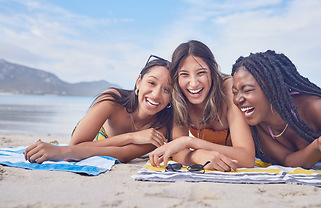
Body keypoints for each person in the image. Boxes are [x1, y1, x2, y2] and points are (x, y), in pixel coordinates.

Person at [24, 56, 173, 163]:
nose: (156, 94)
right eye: (151, 83)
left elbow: (124, 154)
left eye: (166, 90)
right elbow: (74, 146)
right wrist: (132, 137)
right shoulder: (113, 100)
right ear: (139, 82)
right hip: (92, 134)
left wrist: (68, 151)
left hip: (92, 146)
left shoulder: (162, 125)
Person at [231, 50, 321, 172]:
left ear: (271, 89)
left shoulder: (318, 108)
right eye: (234, 92)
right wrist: (317, 146)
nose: (237, 99)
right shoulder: (257, 121)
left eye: (247, 90)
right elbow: (286, 159)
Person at [149, 40, 255, 171]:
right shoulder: (179, 97)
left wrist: (189, 142)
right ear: (177, 77)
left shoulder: (229, 90)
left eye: (201, 73)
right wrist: (197, 156)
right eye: (184, 74)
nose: (193, 84)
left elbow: (247, 158)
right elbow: (176, 151)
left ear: (212, 71)